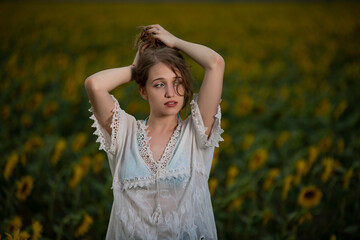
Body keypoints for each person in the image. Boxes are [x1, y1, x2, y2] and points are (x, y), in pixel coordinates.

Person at [85, 24, 225, 239]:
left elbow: (215, 64)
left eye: (177, 83)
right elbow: (94, 85)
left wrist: (175, 41)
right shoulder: (124, 133)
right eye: (159, 84)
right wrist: (137, 69)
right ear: (143, 91)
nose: (171, 93)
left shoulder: (196, 133)